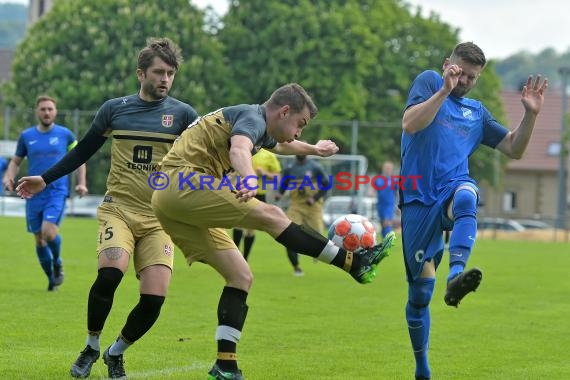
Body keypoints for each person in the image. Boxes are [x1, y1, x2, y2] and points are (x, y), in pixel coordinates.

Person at [148, 83, 396, 379]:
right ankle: (354, 263)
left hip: (169, 202)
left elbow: (284, 144)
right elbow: (239, 148)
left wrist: (314, 148)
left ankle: (224, 366)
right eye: (300, 124)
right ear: (284, 111)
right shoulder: (252, 119)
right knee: (272, 214)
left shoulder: (259, 124)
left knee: (240, 275)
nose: (299, 132)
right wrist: (250, 179)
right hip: (182, 183)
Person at [16, 38, 199, 379]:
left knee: (154, 299)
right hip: (119, 209)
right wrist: (45, 177)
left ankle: (116, 352)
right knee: (111, 273)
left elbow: (204, 153)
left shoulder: (185, 115)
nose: (165, 79)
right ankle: (91, 345)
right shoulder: (115, 109)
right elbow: (83, 150)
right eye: (159, 72)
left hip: (161, 218)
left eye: (171, 74)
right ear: (140, 73)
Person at [399, 42, 548, 380]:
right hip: (417, 202)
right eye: (459, 72)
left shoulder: (476, 113)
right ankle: (422, 370)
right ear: (446, 65)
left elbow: (514, 148)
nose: (464, 80)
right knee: (420, 295)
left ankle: (455, 276)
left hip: (452, 187)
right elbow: (410, 124)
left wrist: (531, 114)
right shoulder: (428, 83)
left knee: (468, 196)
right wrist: (444, 91)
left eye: (472, 77)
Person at [2, 95, 88, 291]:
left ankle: (57, 262)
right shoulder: (26, 136)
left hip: (56, 191)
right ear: (37, 112)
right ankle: (51, 279)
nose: (47, 112)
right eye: (43, 109)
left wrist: (82, 183)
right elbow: (15, 162)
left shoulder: (66, 134)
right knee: (39, 238)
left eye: (50, 109)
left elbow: (80, 158)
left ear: (55, 111)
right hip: (32, 193)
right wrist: (8, 177)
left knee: (49, 232)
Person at [276, 153, 330, 276]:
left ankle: (317, 253)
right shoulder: (290, 169)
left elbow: (326, 185)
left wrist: (315, 198)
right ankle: (296, 267)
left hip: (313, 206)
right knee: (288, 232)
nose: (301, 153)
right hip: (296, 205)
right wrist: (279, 194)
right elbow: (284, 185)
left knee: (318, 235)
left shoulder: (316, 167)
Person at [232, 148, 281, 261]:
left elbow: (277, 177)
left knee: (250, 228)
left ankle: (245, 258)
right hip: (242, 191)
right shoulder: (245, 150)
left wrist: (264, 173)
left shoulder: (269, 155)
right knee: (238, 224)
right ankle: (235, 256)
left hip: (259, 194)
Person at [374, 161, 397, 238]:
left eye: (389, 168)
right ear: (383, 168)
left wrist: (398, 206)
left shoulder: (394, 180)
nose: (388, 169)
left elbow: (398, 193)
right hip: (380, 206)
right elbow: (373, 190)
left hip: (389, 205)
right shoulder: (378, 179)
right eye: (386, 168)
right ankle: (385, 242)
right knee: (383, 224)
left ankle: (389, 239)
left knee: (387, 223)